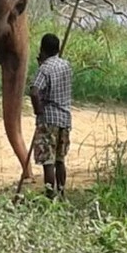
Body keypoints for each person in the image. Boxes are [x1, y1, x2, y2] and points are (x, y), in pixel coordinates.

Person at [30, 33, 73, 200]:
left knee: (48, 160)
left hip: (48, 119)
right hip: (64, 118)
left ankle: (49, 196)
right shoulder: (66, 65)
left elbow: (34, 91)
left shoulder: (45, 68)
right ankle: (61, 193)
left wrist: (38, 109)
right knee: (60, 159)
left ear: (42, 49)